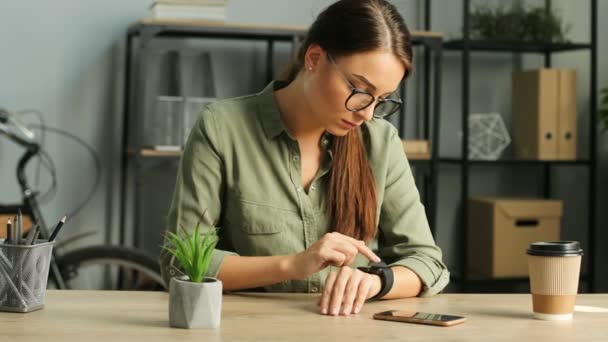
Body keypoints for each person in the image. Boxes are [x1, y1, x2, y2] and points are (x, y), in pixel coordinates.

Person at [160, 0, 449, 317]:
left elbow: (427, 261)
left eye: (381, 100)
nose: (367, 113)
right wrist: (293, 264)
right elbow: (180, 260)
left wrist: (377, 281)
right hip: (246, 329)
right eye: (360, 89)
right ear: (314, 58)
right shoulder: (222, 127)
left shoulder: (380, 142)